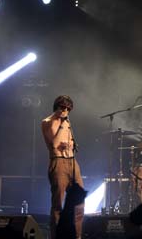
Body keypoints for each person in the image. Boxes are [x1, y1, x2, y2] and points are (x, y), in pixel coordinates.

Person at [41, 95, 84, 239]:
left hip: (72, 162)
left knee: (79, 201)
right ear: (56, 107)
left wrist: (71, 144)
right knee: (58, 204)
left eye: (68, 109)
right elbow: (53, 142)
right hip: (58, 162)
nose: (65, 111)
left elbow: (69, 143)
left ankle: (77, 236)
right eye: (63, 108)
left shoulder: (68, 123)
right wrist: (60, 122)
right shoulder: (48, 122)